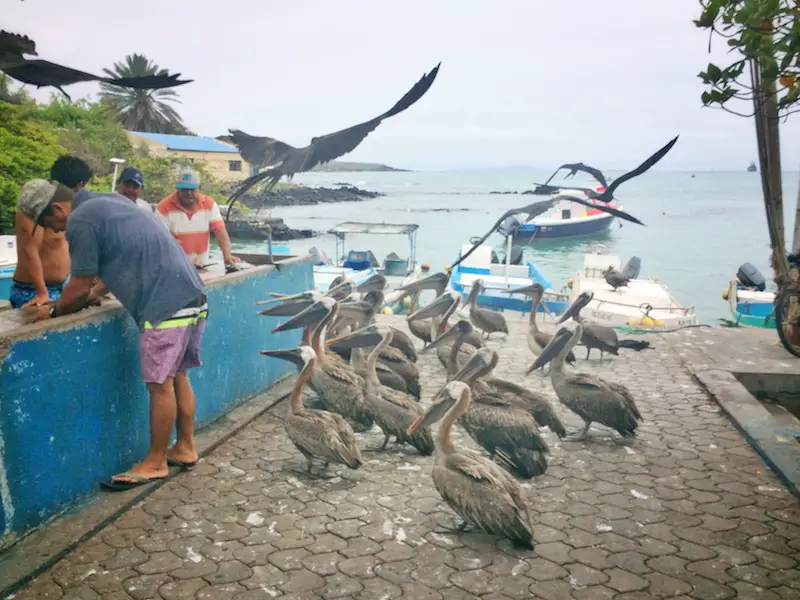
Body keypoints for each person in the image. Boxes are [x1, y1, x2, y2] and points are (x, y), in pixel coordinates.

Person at [20, 178, 208, 491]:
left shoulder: (80, 220)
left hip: (165, 306)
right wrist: (93, 294)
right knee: (178, 377)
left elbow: (77, 288)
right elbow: (119, 265)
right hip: (192, 295)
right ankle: (186, 447)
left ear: (56, 208)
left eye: (47, 222)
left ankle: (156, 462)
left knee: (159, 386)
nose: (52, 230)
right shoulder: (111, 202)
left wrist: (52, 311)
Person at [8, 156, 91, 308]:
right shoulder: (39, 205)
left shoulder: (70, 210)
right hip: (33, 290)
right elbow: (29, 249)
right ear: (80, 184)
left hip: (60, 287)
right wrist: (42, 293)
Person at [155, 167, 240, 269]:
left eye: (192, 189)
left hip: (202, 265)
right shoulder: (163, 208)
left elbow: (220, 231)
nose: (189, 193)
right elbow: (160, 242)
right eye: (184, 190)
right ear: (177, 189)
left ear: (199, 188)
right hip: (174, 268)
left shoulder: (209, 204)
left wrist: (227, 255)